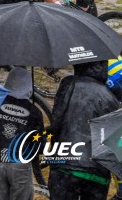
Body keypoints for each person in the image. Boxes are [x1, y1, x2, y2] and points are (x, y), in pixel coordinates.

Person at [48, 60, 118, 200]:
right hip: (98, 173)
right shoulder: (111, 98)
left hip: (65, 165)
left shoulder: (68, 84)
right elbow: (115, 143)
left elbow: (56, 121)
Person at [0, 67, 43, 200]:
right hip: (19, 164)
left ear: (8, 82)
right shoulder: (34, 112)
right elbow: (38, 145)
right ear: (29, 86)